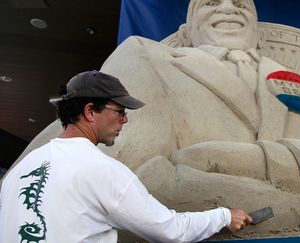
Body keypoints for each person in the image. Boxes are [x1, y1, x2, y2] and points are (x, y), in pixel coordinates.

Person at [5, 0, 300, 238]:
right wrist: (225, 207)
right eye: (210, 3)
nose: (229, 7)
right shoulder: (150, 56)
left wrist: (265, 163)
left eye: (241, 4)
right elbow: (151, 184)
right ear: (187, 30)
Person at [0, 70, 252, 243]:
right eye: (119, 110)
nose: (125, 118)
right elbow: (169, 230)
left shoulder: (22, 168)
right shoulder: (101, 170)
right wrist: (224, 216)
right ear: (89, 111)